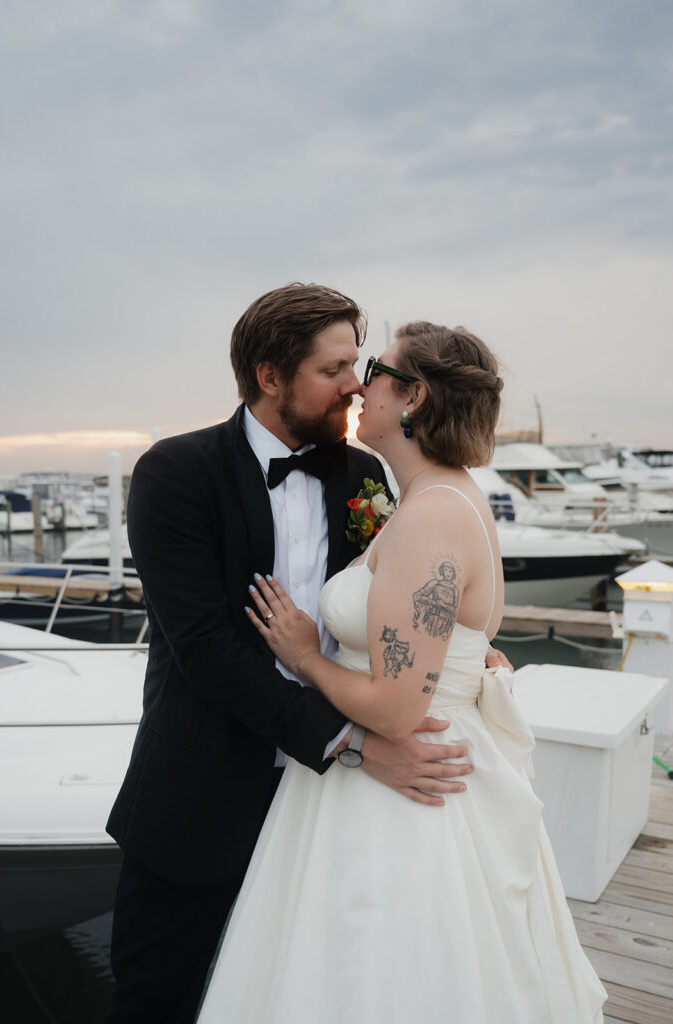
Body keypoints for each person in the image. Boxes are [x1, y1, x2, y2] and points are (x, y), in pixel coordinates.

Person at [104, 286, 505, 1024]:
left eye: (359, 364)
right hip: (201, 797)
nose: (355, 383)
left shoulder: (363, 477)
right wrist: (350, 741)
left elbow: (400, 598)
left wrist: (468, 647)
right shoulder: (174, 474)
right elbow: (205, 651)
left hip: (331, 815)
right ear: (269, 377)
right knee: (157, 1001)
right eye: (335, 368)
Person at [197, 321, 607, 1023]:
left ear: (413, 396)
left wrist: (304, 657)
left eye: (376, 371)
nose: (360, 385)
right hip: (412, 769)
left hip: (404, 787)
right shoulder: (438, 498)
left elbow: (393, 712)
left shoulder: (430, 518)